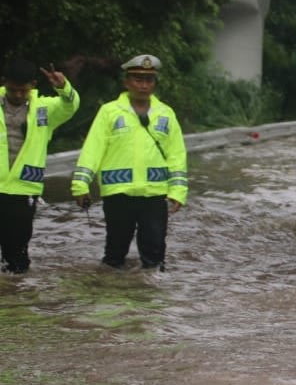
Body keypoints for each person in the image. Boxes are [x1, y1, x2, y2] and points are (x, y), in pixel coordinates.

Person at [71, 54, 188, 271]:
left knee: (155, 255)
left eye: (149, 80)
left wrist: (178, 191)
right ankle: (111, 290)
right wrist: (80, 184)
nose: (144, 85)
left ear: (154, 83)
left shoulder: (166, 114)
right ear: (126, 82)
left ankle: (150, 290)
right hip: (118, 193)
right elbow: (93, 149)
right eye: (138, 79)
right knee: (115, 253)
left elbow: (177, 154)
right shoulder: (109, 112)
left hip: (154, 194)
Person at [1, 58, 80, 273]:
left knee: (17, 251)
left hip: (24, 187)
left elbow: (71, 106)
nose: (18, 95)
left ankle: (17, 289)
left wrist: (63, 87)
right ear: (4, 82)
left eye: (23, 90)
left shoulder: (45, 108)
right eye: (13, 90)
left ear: (33, 85)